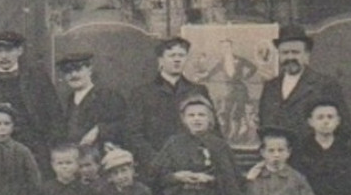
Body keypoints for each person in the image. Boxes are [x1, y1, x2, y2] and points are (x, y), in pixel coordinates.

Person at [125, 38, 213, 172]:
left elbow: (212, 128)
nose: (177, 60)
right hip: (156, 167)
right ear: (160, 60)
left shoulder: (198, 91)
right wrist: (157, 161)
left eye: (181, 55)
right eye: (172, 55)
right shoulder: (142, 93)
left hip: (194, 166)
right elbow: (133, 134)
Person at [0, 30, 63, 163]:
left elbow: (55, 114)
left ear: (20, 51)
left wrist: (51, 147)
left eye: (9, 50)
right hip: (1, 147)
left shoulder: (37, 78)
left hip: (36, 146)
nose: (4, 56)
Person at [255, 25, 348, 144]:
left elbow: (342, 127)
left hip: (310, 159)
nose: (290, 57)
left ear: (306, 55)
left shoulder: (324, 84)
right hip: (278, 158)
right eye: (285, 53)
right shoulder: (270, 86)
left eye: (295, 52)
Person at [56, 52, 128, 154]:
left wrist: (99, 130)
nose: (73, 75)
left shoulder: (107, 96)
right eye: (68, 71)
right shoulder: (66, 101)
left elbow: (124, 124)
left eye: (78, 69)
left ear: (89, 69)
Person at [202, 39, 259, 146]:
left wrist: (245, 77)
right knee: (226, 113)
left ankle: (238, 138)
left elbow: (253, 67)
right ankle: (226, 138)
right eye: (223, 47)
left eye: (227, 47)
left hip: (240, 91)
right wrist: (203, 78)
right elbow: (212, 72)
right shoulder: (221, 62)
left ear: (231, 48)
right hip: (229, 91)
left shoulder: (239, 60)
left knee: (238, 114)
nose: (225, 49)